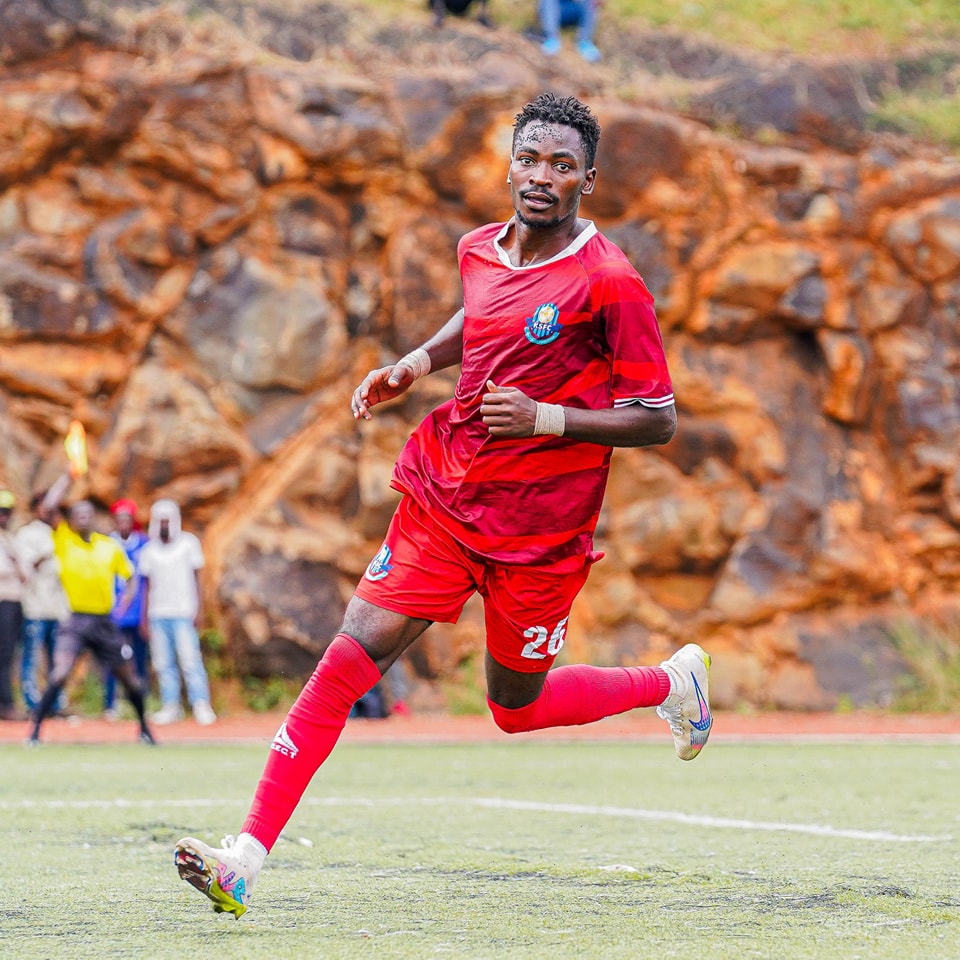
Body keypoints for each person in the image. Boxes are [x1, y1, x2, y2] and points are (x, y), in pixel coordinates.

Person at [174, 92, 713, 918]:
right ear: (509, 164)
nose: (541, 176)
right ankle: (245, 857)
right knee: (349, 658)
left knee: (514, 709)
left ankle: (670, 683)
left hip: (541, 533)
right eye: (529, 158)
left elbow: (658, 417)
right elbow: (482, 317)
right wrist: (414, 362)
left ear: (588, 180)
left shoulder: (611, 283)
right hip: (446, 496)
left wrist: (548, 419)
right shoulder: (478, 249)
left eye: (562, 165)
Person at [27, 475, 155, 745]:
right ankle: (35, 731)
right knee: (60, 672)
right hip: (76, 620)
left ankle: (144, 729)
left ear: (94, 518)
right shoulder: (65, 542)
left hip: (105, 622)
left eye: (88, 514)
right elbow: (48, 508)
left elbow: (131, 576)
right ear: (71, 521)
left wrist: (125, 604)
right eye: (78, 515)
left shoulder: (108, 547)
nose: (83, 518)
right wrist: (66, 477)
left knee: (130, 680)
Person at [138, 499, 216, 726]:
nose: (163, 525)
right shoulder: (149, 550)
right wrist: (143, 618)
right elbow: (146, 586)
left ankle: (201, 704)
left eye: (167, 520)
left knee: (190, 659)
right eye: (159, 520)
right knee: (163, 663)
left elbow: (198, 578)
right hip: (157, 614)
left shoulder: (188, 544)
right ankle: (171, 706)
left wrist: (199, 609)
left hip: (184, 612)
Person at [14, 491, 70, 718]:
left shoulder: (62, 533)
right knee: (32, 658)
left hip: (58, 609)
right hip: (35, 607)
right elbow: (25, 570)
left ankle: (55, 704)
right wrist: (45, 553)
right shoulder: (27, 534)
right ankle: (33, 704)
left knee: (58, 659)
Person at [103, 499, 150, 720]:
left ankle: (140, 705)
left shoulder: (143, 543)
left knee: (139, 661)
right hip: (113, 613)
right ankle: (110, 703)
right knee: (112, 660)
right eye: (119, 519)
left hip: (137, 613)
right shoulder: (107, 543)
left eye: (127, 519)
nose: (123, 524)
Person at [0, 490, 26, 721]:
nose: (3, 517)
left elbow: (25, 574)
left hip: (13, 604)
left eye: (6, 512)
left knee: (7, 657)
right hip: (2, 602)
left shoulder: (11, 539)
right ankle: (5, 705)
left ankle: (6, 704)